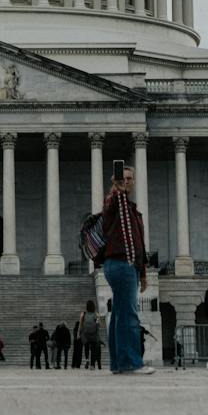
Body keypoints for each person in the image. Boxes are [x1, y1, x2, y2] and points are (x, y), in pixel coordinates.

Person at [101, 160, 154, 374]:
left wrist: (142, 273)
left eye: (131, 178)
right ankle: (131, 362)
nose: (128, 182)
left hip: (126, 265)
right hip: (120, 264)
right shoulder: (113, 201)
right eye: (123, 178)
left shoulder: (132, 210)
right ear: (115, 180)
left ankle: (118, 363)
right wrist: (117, 191)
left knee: (119, 315)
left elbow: (138, 243)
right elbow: (110, 207)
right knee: (129, 315)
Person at [78, 301, 102, 369]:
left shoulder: (83, 314)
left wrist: (79, 334)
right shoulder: (96, 314)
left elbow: (81, 325)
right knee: (93, 350)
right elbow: (98, 324)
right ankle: (92, 365)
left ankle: (87, 359)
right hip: (94, 334)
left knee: (86, 347)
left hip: (86, 334)